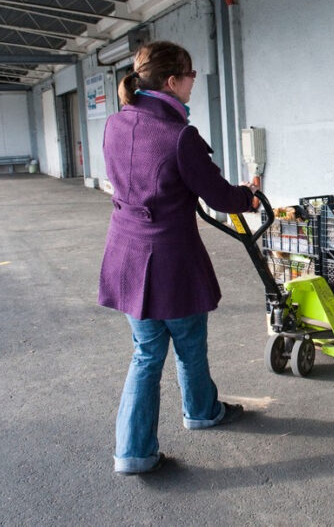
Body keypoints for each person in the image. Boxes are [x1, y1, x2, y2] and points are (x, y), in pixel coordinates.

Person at [99, 41, 256, 475]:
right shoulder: (179, 135)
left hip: (126, 256)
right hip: (171, 260)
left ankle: (132, 453)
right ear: (172, 81)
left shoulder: (114, 124)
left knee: (146, 354)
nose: (192, 85)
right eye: (189, 77)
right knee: (189, 343)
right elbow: (219, 194)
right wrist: (252, 196)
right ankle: (202, 411)